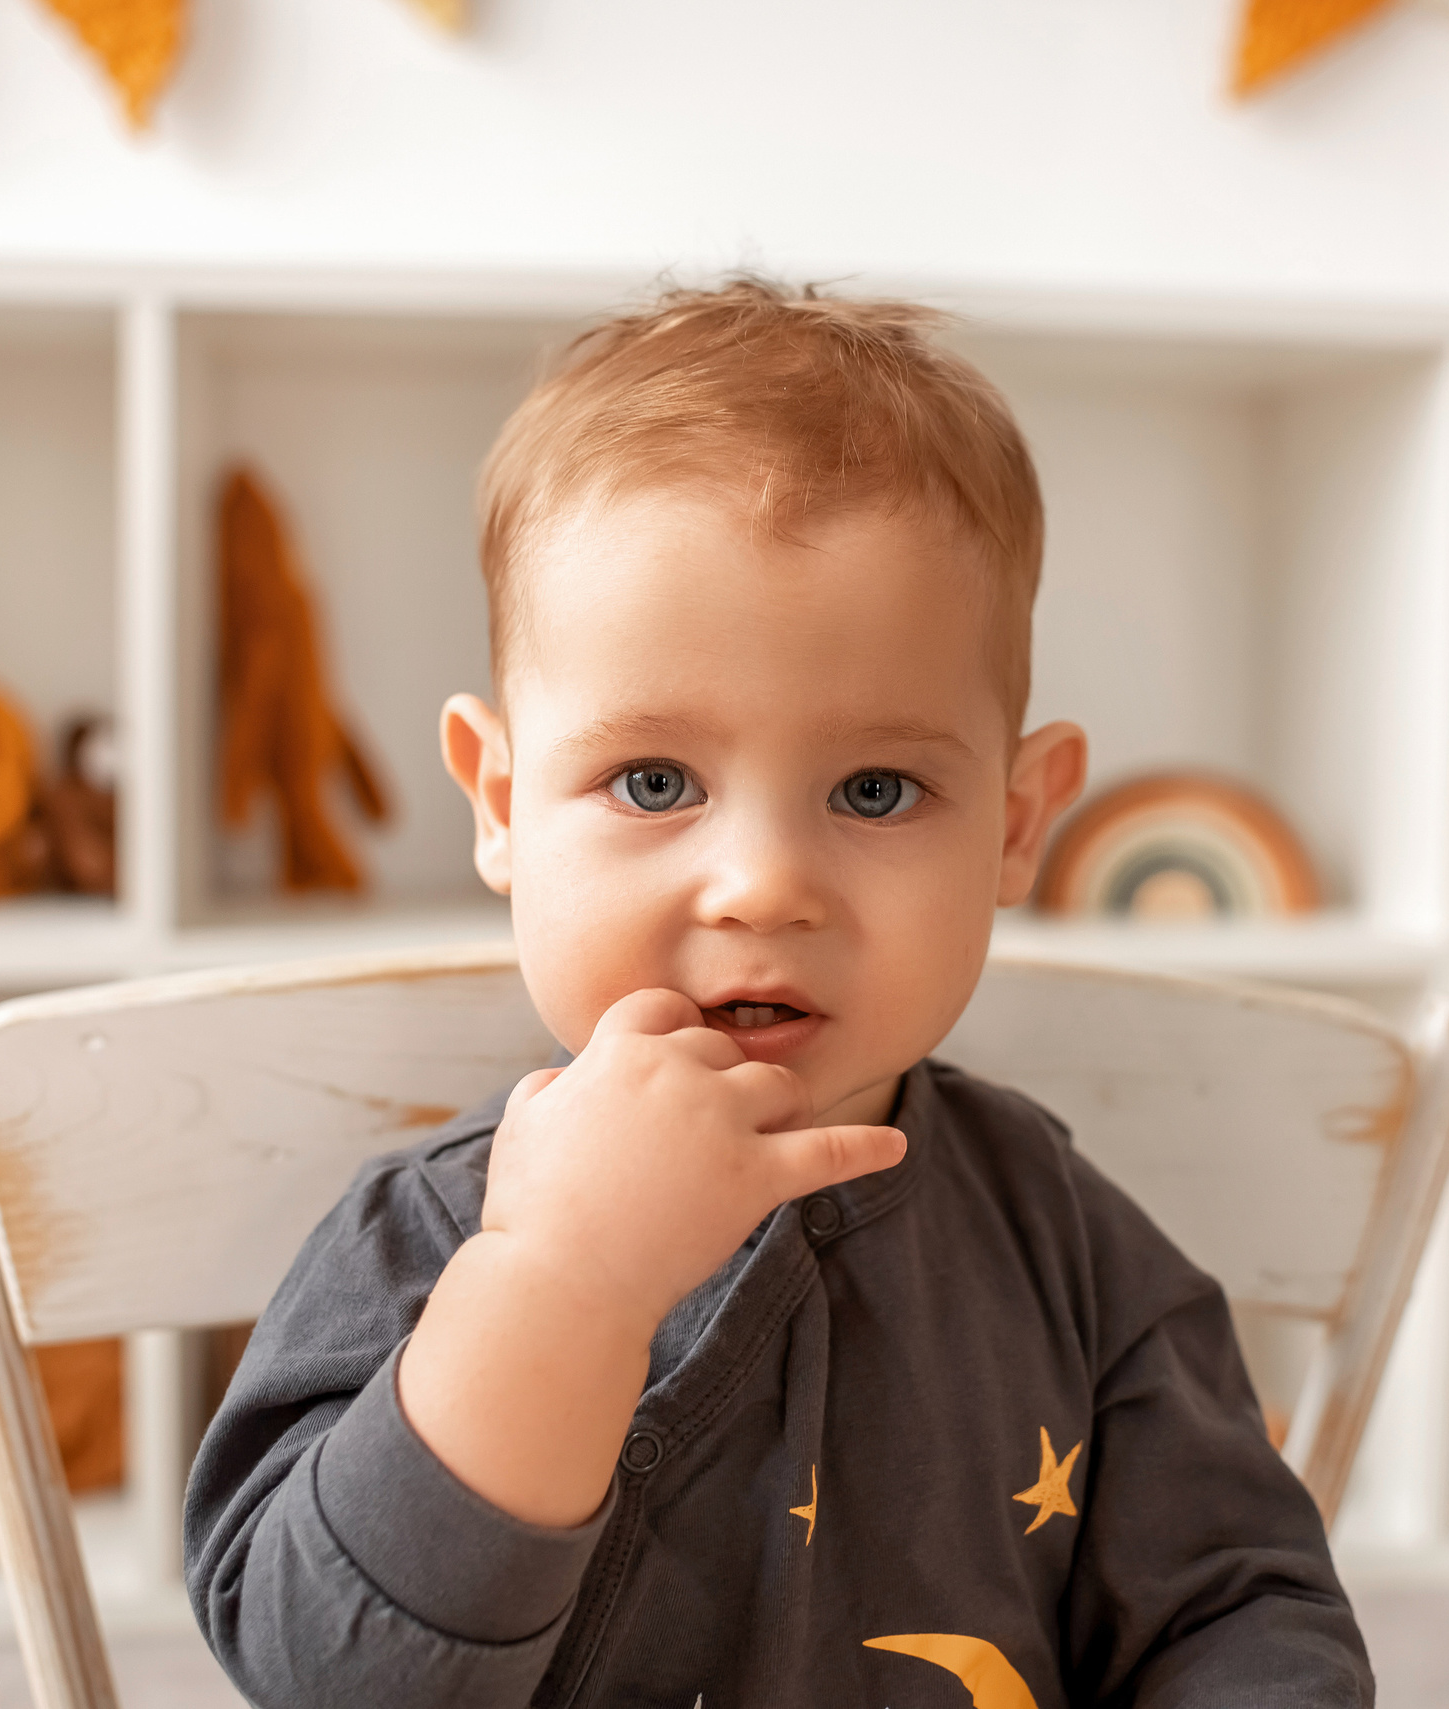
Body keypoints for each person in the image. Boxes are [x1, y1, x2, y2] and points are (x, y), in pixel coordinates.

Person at [185, 279, 1374, 1708]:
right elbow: (324, 1674)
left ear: (1015, 820)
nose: (761, 884)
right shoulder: (425, 1242)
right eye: (652, 781)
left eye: (875, 787)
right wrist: (562, 1283)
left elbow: (1241, 1607)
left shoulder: (1068, 1249)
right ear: (500, 802)